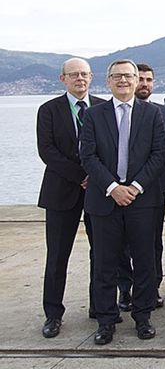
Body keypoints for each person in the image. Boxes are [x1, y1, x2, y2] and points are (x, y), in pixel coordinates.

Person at [79, 59, 165, 345]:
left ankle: (143, 317)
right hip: (104, 201)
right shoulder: (93, 115)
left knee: (144, 263)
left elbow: (158, 155)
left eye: (128, 76)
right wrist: (113, 187)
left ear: (136, 80)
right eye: (117, 76)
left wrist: (135, 187)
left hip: (143, 201)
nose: (123, 81)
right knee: (105, 265)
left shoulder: (154, 114)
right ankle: (106, 321)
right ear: (108, 81)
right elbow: (88, 157)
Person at [37, 58, 105, 338]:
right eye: (74, 75)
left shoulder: (103, 107)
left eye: (85, 74)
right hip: (61, 191)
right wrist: (81, 175)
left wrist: (96, 177)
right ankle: (53, 314)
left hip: (98, 191)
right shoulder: (48, 110)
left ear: (91, 78)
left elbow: (110, 147)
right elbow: (47, 151)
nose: (80, 79)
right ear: (62, 79)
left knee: (101, 253)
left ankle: (98, 306)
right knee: (57, 256)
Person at [117, 64, 165, 313]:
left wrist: (141, 184)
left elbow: (164, 152)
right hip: (119, 190)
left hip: (153, 189)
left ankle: (152, 288)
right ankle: (125, 289)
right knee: (122, 245)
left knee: (152, 243)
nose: (145, 84)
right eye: (140, 79)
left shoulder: (163, 111)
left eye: (149, 80)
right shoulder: (109, 113)